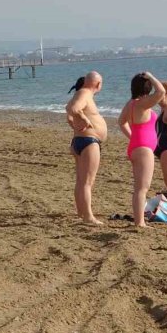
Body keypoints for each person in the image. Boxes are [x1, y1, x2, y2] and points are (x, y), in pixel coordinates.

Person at [118, 72, 166, 227]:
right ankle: (139, 222)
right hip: (143, 149)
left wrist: (132, 137)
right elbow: (161, 92)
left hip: (136, 146)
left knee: (139, 187)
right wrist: (151, 76)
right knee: (142, 188)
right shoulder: (142, 103)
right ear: (147, 88)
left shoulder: (130, 104)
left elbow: (121, 122)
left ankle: (139, 221)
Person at [65, 71, 106, 225]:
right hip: (88, 142)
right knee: (87, 182)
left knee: (81, 181)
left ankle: (81, 212)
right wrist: (84, 119)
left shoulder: (82, 93)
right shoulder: (85, 93)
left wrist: (76, 123)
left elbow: (68, 107)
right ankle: (88, 216)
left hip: (81, 140)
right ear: (98, 84)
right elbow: (73, 108)